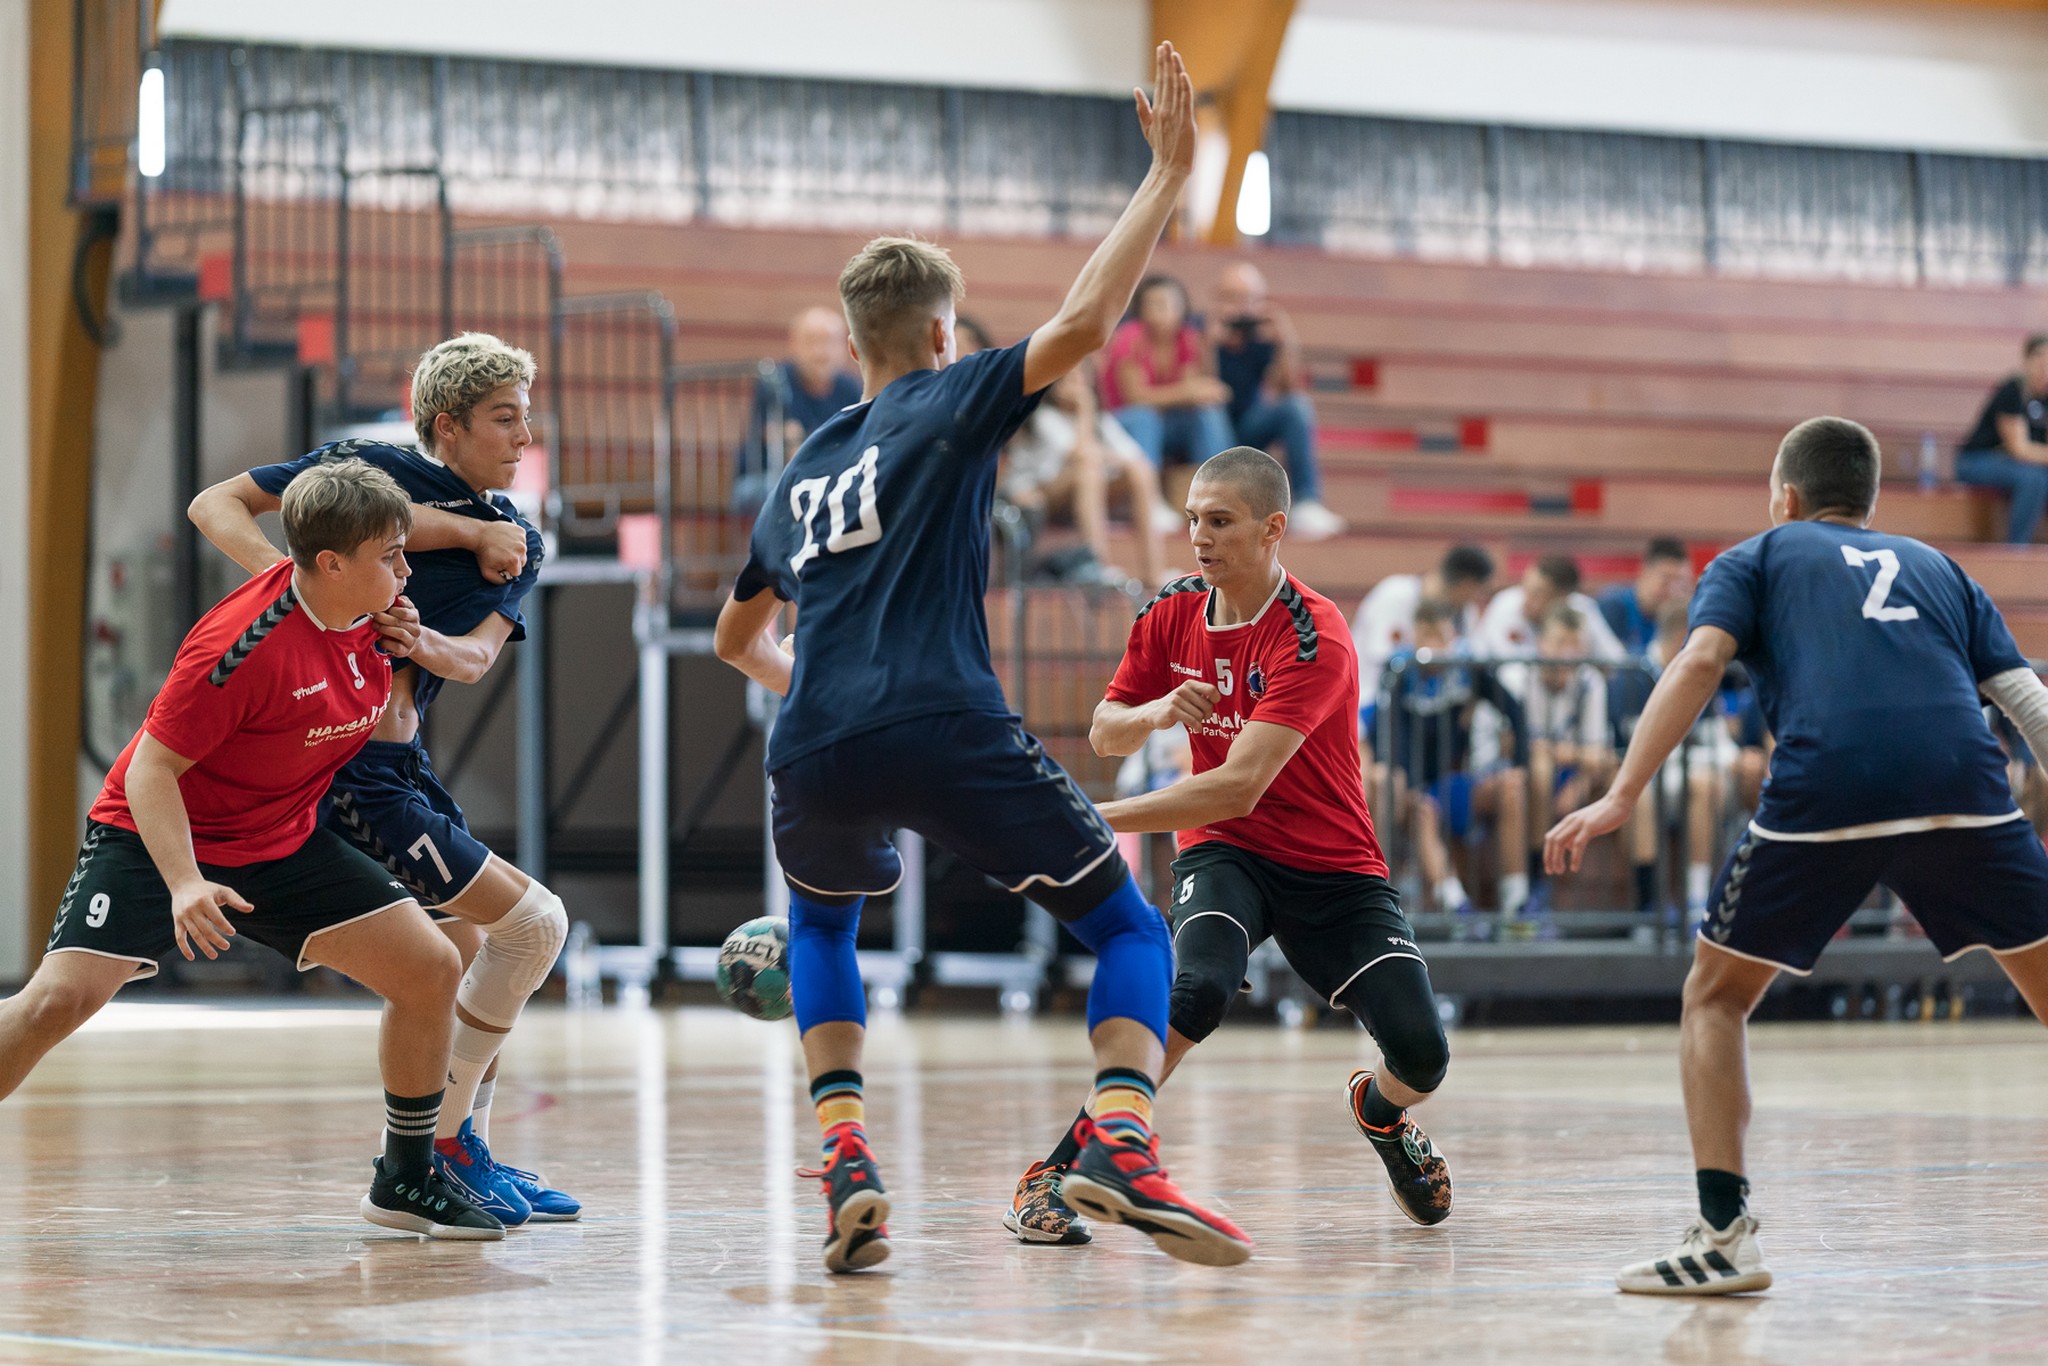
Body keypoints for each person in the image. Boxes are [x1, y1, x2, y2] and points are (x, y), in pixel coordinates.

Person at [712, 43, 1253, 1274]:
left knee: (821, 928)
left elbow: (735, 637)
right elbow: (1083, 323)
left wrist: (824, 691)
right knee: (1128, 930)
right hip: (947, 722)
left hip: (815, 745)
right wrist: (1163, 179)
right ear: (941, 333)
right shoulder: (952, 399)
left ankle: (845, 1157)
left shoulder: (796, 471)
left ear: (852, 339)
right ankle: (1120, 1138)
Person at [1546, 415, 2048, 1296]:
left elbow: (1700, 661)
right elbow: (2020, 695)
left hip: (1832, 782)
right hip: (1962, 782)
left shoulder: (1757, 556)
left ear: (1784, 497)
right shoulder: (1938, 565)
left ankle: (1723, 1238)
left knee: (1715, 996)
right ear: (1869, 503)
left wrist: (1623, 791)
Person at [0, 460, 502, 1239]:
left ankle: (405, 1177)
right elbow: (151, 771)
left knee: (430, 967)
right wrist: (183, 882)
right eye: (391, 555)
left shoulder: (375, 620)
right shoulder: (238, 649)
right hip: (156, 838)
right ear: (331, 564)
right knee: (56, 1003)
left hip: (280, 842)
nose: (406, 570)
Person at [1003, 448, 1450, 1247]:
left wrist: (1094, 820)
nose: (1199, 537)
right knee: (1197, 988)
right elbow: (1107, 731)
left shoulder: (1314, 636)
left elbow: (1239, 783)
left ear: (1273, 529)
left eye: (1220, 521)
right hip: (1224, 851)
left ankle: (1379, 1112)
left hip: (1331, 863)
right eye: (1192, 519)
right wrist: (1159, 711)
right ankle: (1060, 1170)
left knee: (1423, 1055)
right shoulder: (1172, 610)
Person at [189, 333, 578, 1226]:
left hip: (402, 764)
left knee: (479, 951)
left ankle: (457, 1148)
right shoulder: (363, 470)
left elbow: (474, 659)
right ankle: (436, 1150)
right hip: (348, 770)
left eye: (527, 418)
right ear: (448, 425)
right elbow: (217, 504)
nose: (525, 438)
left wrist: (419, 641)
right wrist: (290, 589)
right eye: (504, 419)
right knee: (532, 926)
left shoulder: (519, 536)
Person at [1372, 600, 1530, 923]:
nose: (1433, 645)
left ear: (1453, 636)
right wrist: (1412, 786)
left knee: (1512, 787)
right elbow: (1392, 734)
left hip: (1456, 783)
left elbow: (1515, 710)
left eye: (1441, 636)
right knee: (1423, 810)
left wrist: (1521, 763)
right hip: (1416, 788)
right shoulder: (1398, 672)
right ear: (1414, 637)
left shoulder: (1468, 669)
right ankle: (1457, 908)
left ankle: (1518, 904)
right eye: (1426, 636)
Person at [1001, 362, 1169, 588]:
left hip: (1085, 491)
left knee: (1140, 471)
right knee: (1088, 469)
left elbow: (1134, 457)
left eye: (1081, 378)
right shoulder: (1044, 417)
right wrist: (1085, 410)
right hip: (1040, 495)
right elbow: (1080, 454)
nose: (1076, 386)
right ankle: (1098, 565)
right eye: (1068, 379)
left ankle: (1154, 572)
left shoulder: (1102, 419)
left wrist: (1112, 455)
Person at [1209, 262, 1345, 540]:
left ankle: (1307, 502)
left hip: (1248, 427)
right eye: (1234, 297)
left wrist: (1285, 338)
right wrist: (1210, 343)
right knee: (1207, 409)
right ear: (1218, 298)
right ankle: (1211, 498)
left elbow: (1286, 388)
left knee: (1297, 406)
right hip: (1208, 428)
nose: (1242, 307)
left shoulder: (1263, 337)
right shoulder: (1203, 331)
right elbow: (1202, 385)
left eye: (1250, 299)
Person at [1100, 274, 1235, 502]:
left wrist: (1200, 387)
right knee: (1145, 417)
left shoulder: (1187, 338)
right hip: (1123, 423)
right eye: (1154, 304)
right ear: (1141, 309)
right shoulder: (1129, 336)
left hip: (1166, 424)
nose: (1162, 310)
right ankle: (1148, 499)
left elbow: (1192, 390)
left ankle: (1223, 492)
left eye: (1169, 303)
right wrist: (1189, 392)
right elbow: (1135, 398)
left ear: (1183, 308)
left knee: (1207, 412)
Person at [736, 307, 866, 511]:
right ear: (793, 344)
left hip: (828, 480)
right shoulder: (775, 382)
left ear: (846, 347)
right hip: (765, 479)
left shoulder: (852, 388)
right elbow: (787, 449)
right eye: (811, 341)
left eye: (829, 342)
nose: (820, 352)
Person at [1352, 544, 1497, 703]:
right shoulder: (1395, 595)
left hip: (1431, 707)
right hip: (1373, 701)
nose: (1478, 598)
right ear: (1467, 585)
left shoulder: (1466, 612)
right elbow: (1383, 659)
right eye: (1479, 591)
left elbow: (1472, 663)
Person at [1955, 334, 2048, 545]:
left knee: (2037, 476)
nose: (2045, 369)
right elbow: (2020, 449)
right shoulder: (2013, 390)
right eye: (2040, 361)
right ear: (2027, 361)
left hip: (2015, 466)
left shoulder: (2045, 398)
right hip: (1977, 461)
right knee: (2034, 479)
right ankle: (2017, 550)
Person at [1474, 553, 1627, 662]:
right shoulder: (1505, 604)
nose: (1525, 599)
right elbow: (1509, 676)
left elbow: (1617, 661)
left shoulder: (1580, 609)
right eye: (1525, 587)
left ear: (1562, 599)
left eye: (1537, 594)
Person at [1598, 537, 1692, 655]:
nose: (1673, 590)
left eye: (1680, 582)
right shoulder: (1614, 607)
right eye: (1666, 580)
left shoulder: (1679, 618)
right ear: (1645, 572)